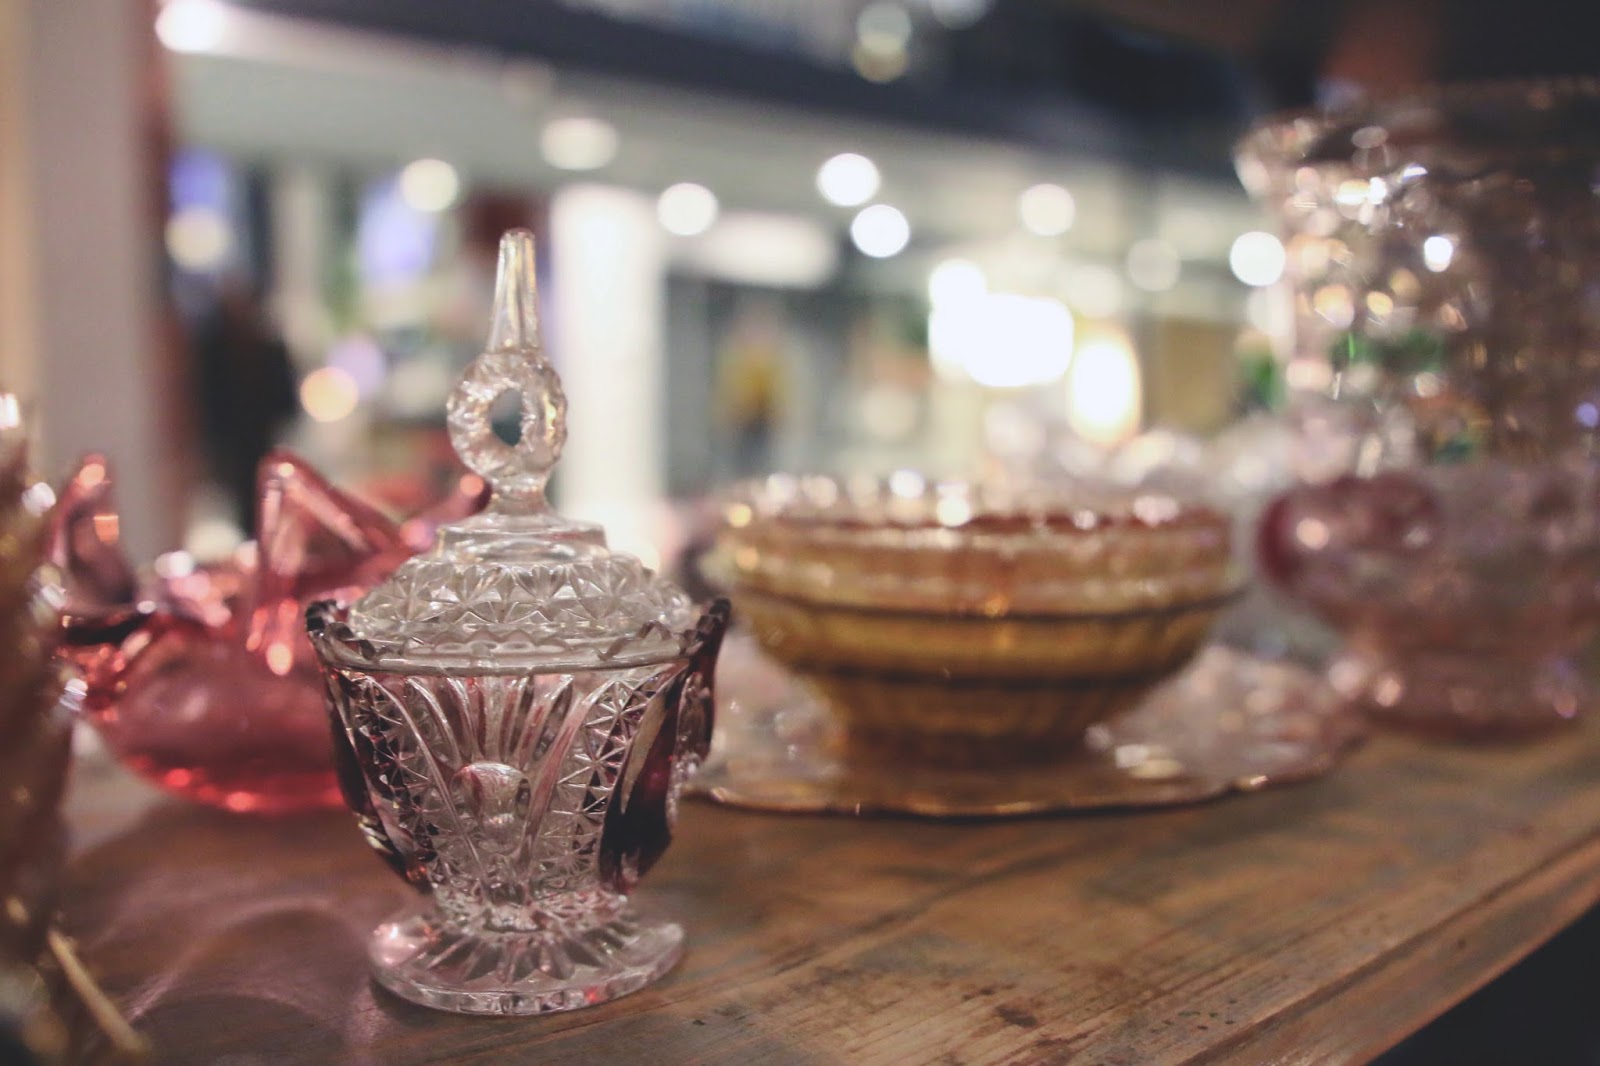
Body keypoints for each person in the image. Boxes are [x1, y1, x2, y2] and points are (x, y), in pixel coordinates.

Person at [191, 278, 299, 533]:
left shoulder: (268, 349)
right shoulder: (215, 354)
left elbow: (285, 400)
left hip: (260, 442)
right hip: (235, 448)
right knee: (246, 506)